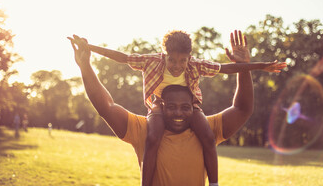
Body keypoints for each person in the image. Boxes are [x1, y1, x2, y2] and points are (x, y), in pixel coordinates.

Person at [69, 30, 286, 186]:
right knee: (153, 138)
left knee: (208, 137)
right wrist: (87, 61)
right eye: (171, 107)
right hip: (153, 110)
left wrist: (252, 66)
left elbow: (241, 104)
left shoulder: (205, 127)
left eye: (185, 107)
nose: (179, 113)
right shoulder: (144, 129)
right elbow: (107, 103)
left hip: (194, 113)